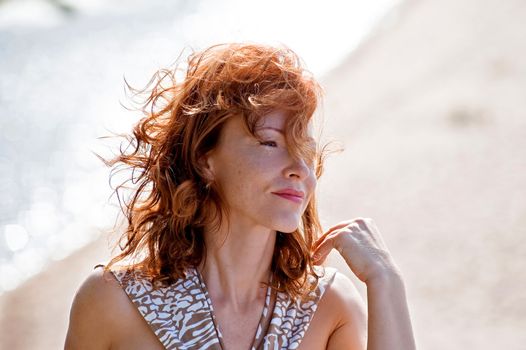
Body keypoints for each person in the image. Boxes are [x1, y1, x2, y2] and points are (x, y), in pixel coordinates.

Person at [64, 42, 416, 350]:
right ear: (205, 158)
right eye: (270, 142)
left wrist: (385, 279)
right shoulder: (112, 300)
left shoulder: (328, 307)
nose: (299, 169)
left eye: (305, 151)